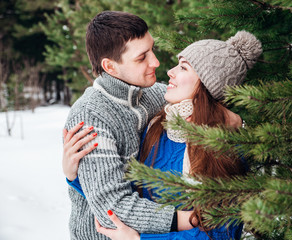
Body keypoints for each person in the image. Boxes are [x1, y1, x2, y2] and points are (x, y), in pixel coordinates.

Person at [63, 30, 263, 240]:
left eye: (183, 67)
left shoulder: (222, 146)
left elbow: (219, 234)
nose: (170, 71)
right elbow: (123, 196)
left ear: (207, 85)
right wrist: (75, 176)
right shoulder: (157, 127)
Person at [63, 11, 197, 240]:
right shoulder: (91, 116)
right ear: (110, 67)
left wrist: (234, 120)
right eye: (141, 57)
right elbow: (112, 210)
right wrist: (188, 219)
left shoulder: (153, 94)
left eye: (152, 49)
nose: (155, 61)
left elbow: (200, 96)